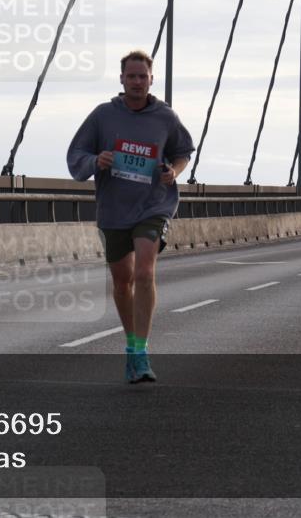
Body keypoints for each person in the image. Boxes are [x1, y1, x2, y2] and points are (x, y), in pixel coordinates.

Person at [67, 49, 195, 383]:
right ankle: (130, 344)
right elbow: (77, 153)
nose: (137, 81)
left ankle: (141, 352)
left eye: (143, 76)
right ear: (122, 79)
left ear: (152, 80)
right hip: (114, 208)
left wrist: (173, 172)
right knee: (122, 281)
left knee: (144, 271)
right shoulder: (103, 116)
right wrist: (98, 160)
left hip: (154, 205)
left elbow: (183, 152)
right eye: (131, 76)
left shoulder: (165, 118)